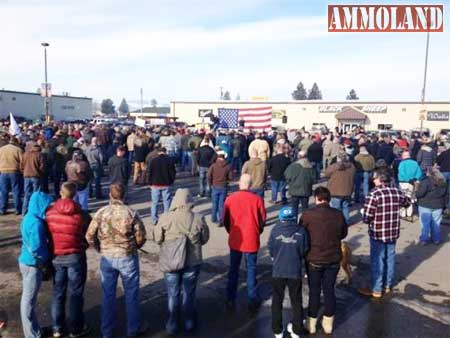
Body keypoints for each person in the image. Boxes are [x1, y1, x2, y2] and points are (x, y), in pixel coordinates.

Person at [85, 183, 147, 338]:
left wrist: (99, 247)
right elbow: (141, 237)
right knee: (131, 294)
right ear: (124, 196)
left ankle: (107, 331)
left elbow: (89, 235)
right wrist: (133, 246)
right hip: (127, 256)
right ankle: (133, 329)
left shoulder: (101, 212)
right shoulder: (131, 213)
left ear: (110, 196)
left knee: (108, 295)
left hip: (107, 257)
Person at [153, 188, 210, 335]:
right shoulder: (198, 218)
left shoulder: (165, 218)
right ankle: (189, 322)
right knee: (189, 293)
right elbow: (204, 239)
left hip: (171, 261)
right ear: (190, 200)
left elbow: (157, 238)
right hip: (192, 262)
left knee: (173, 293)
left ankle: (172, 324)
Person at [46, 182, 91, 338]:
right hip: (75, 255)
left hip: (57, 255)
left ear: (60, 193)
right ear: (75, 194)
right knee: (76, 293)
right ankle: (75, 328)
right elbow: (89, 234)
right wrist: (84, 244)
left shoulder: (50, 213)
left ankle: (57, 328)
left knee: (58, 292)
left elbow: (47, 233)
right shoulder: (82, 215)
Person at [299, 187, 347, 335]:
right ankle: (328, 323)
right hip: (332, 258)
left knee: (314, 291)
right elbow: (343, 233)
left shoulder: (307, 215)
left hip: (314, 259)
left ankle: (311, 323)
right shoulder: (338, 215)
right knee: (329, 290)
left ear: (316, 198)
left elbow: (301, 234)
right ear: (329, 199)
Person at [359, 168, 410, 298]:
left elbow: (367, 217)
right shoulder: (396, 191)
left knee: (378, 260)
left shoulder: (374, 194)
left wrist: (364, 216)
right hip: (392, 231)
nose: (373, 180)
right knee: (390, 258)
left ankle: (376, 288)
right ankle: (387, 285)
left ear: (380, 179)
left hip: (378, 232)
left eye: (375, 178)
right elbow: (407, 202)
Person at [222, 174, 267, 312]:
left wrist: (231, 231)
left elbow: (225, 219)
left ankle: (230, 297)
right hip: (251, 238)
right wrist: (257, 231)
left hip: (236, 238)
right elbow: (262, 219)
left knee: (233, 269)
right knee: (251, 269)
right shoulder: (257, 199)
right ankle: (252, 298)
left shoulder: (230, 199)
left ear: (239, 183)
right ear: (251, 184)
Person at [268, 206, 308, 338]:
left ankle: (277, 330)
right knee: (296, 300)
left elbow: (271, 249)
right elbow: (305, 249)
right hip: (295, 270)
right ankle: (297, 330)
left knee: (277, 300)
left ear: (280, 218)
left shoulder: (275, 230)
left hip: (278, 270)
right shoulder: (301, 231)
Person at [18, 191, 54, 338]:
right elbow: (36, 247)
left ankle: (35, 331)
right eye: (46, 206)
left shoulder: (28, 217)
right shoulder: (37, 223)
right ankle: (32, 334)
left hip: (25, 261)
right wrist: (47, 256)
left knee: (28, 299)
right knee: (28, 301)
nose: (47, 209)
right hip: (33, 264)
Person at [415, 168, 447, 245]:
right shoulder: (443, 181)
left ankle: (424, 239)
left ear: (429, 173)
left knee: (425, 224)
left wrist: (416, 190)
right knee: (436, 223)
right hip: (438, 205)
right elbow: (445, 195)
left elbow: (420, 194)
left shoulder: (426, 181)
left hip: (425, 204)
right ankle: (436, 239)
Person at [148, 147, 176, 225]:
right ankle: (166, 218)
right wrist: (171, 181)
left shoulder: (153, 160)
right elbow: (173, 172)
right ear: (165, 152)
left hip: (155, 184)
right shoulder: (169, 160)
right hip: (166, 183)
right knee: (167, 201)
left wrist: (150, 182)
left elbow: (150, 172)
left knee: (154, 202)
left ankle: (154, 219)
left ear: (158, 152)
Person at [325, 153, 355, 224]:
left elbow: (326, 173)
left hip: (335, 191)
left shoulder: (334, 166)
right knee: (345, 207)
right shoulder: (352, 166)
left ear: (338, 159)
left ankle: (338, 223)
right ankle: (346, 222)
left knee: (336, 208)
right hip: (347, 191)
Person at [284, 150, 316, 218]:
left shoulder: (293, 166)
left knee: (294, 208)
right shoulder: (310, 166)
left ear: (298, 157)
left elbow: (287, 176)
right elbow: (314, 179)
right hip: (306, 189)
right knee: (305, 208)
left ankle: (294, 223)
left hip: (294, 190)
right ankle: (305, 223)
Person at [207, 151, 232, 225]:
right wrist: (227, 180)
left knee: (214, 203)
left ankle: (213, 218)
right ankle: (221, 220)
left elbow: (208, 176)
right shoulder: (228, 166)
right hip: (223, 186)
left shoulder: (213, 166)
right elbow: (231, 177)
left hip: (215, 186)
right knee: (222, 204)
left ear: (217, 157)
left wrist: (210, 183)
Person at [0, 136, 23, 215]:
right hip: (14, 171)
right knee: (16, 191)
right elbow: (22, 162)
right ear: (16, 142)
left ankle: (2, 209)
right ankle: (17, 209)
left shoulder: (1, 149)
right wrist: (21, 171)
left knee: (4, 191)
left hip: (3, 172)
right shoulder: (18, 149)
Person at [21, 143, 45, 215]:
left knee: (27, 194)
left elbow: (21, 166)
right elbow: (42, 167)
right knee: (36, 194)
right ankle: (34, 211)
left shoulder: (25, 154)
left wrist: (24, 172)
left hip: (26, 176)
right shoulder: (39, 155)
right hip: (36, 176)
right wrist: (41, 174)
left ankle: (24, 211)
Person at [397, 151, 423, 218]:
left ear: (403, 156)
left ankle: (403, 213)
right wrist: (414, 179)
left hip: (403, 182)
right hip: (412, 182)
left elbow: (402, 173)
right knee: (410, 197)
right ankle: (409, 213)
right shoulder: (415, 163)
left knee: (403, 197)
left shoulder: (402, 163)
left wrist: (408, 179)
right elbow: (419, 172)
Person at [436, 144, 450, 217]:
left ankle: (441, 206)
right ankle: (448, 209)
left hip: (444, 172)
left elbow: (437, 161)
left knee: (441, 190)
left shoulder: (444, 153)